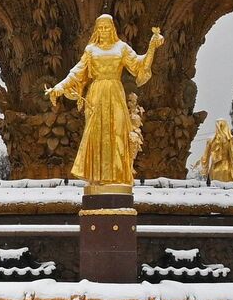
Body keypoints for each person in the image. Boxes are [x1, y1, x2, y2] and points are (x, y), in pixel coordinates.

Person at [45, 15, 162, 188]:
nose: (104, 31)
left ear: (112, 28)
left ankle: (118, 177)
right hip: (96, 95)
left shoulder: (121, 48)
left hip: (115, 93)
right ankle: (97, 177)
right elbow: (77, 72)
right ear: (96, 30)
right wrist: (60, 87)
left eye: (107, 27)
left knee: (117, 132)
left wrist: (152, 47)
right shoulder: (91, 50)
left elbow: (139, 64)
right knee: (97, 134)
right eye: (100, 28)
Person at [196, 119, 233, 185]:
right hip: (227, 169)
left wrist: (201, 166)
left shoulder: (210, 140)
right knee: (227, 189)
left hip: (213, 170)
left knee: (215, 189)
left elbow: (205, 157)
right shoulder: (229, 140)